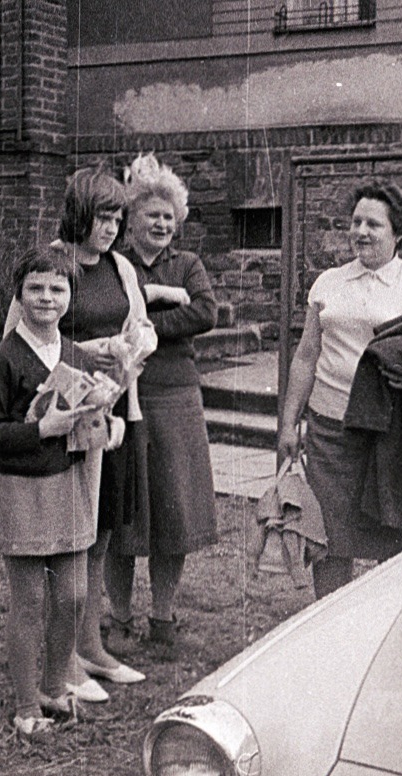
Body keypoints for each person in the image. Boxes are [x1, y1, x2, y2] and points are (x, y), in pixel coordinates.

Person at [4, 165, 154, 696]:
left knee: (102, 530)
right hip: (65, 421)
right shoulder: (52, 265)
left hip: (112, 415)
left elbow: (141, 325)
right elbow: (18, 342)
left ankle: (90, 648)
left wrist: (135, 347)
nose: (111, 229)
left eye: (117, 218)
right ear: (78, 215)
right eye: (102, 217)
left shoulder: (121, 267)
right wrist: (87, 353)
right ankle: (62, 664)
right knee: (70, 540)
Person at [277, 183, 402, 598]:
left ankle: (386, 625)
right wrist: (288, 424)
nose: (362, 231)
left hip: (390, 437)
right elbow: (305, 357)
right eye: (356, 222)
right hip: (331, 433)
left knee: (398, 537)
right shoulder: (328, 284)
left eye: (374, 224)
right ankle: (332, 628)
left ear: (399, 233)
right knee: (331, 539)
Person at [0, 247, 121, 737]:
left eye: (57, 289)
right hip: (21, 490)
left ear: (70, 297)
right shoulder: (1, 361)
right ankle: (25, 705)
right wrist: (42, 430)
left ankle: (55, 686)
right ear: (20, 295)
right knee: (30, 600)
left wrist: (106, 420)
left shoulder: (76, 356)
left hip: (72, 486)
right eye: (36, 288)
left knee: (75, 596)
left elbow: (90, 423)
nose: (46, 298)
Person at [112, 153, 218, 647]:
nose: (160, 223)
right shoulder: (115, 265)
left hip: (175, 395)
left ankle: (163, 615)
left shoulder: (188, 265)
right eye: (151, 215)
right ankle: (118, 615)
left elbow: (206, 312)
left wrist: (151, 328)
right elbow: (106, 314)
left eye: (168, 217)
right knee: (122, 508)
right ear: (131, 220)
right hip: (122, 394)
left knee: (172, 507)